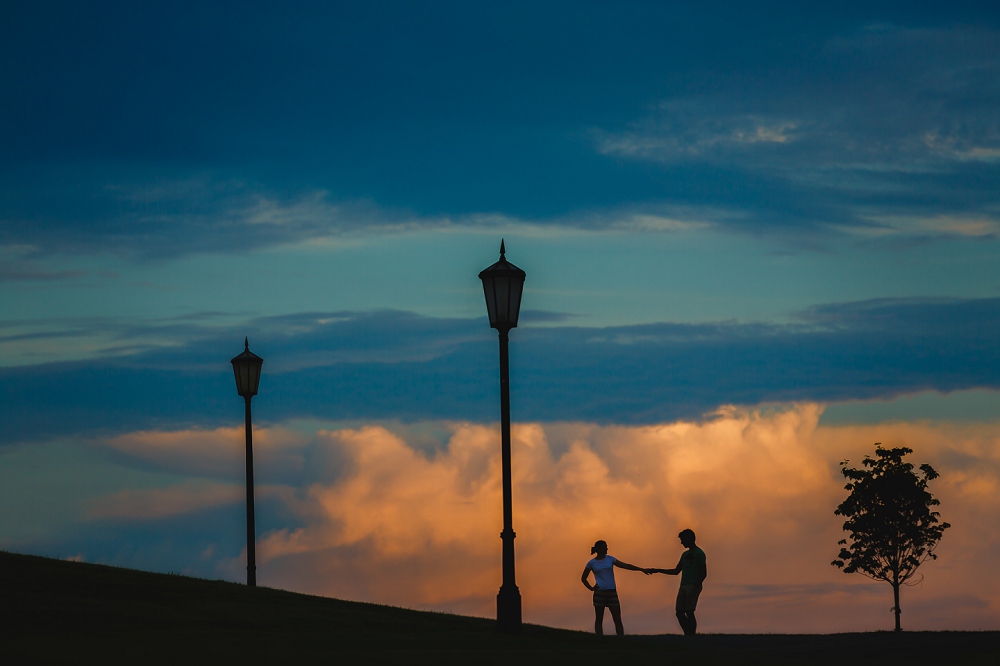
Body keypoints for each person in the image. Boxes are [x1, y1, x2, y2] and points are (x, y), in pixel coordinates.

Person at [645, 529, 707, 635]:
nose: (681, 542)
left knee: (689, 611)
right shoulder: (684, 554)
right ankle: (688, 634)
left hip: (693, 586)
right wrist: (658, 570)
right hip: (683, 586)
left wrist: (696, 585)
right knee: (679, 612)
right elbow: (676, 571)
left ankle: (692, 635)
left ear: (689, 539)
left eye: (682, 540)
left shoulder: (699, 553)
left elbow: (703, 573)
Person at [580, 539, 646, 636]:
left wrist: (641, 569)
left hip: (612, 593)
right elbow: (583, 578)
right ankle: (600, 641)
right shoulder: (591, 563)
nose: (607, 548)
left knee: (617, 619)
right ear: (599, 549)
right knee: (599, 619)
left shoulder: (610, 559)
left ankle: (621, 640)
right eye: (604, 547)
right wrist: (591, 588)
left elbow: (625, 566)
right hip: (600, 593)